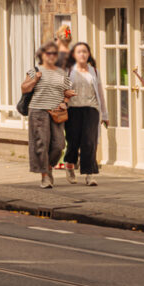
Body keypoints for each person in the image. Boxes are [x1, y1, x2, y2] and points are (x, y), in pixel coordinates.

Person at [21, 42, 75, 188]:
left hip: (56, 112)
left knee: (59, 145)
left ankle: (48, 166)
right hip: (38, 111)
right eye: (48, 53)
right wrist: (35, 79)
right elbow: (24, 88)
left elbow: (67, 91)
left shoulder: (62, 73)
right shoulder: (34, 71)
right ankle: (44, 176)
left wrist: (66, 100)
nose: (51, 56)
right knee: (41, 144)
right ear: (42, 55)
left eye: (54, 53)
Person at [64, 40, 108, 185]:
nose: (82, 54)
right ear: (74, 55)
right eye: (79, 52)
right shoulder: (69, 71)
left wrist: (105, 114)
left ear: (88, 54)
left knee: (89, 142)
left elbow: (100, 93)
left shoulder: (94, 71)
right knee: (73, 141)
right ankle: (70, 165)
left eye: (85, 51)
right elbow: (61, 90)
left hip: (91, 109)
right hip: (73, 110)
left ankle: (89, 175)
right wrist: (65, 97)